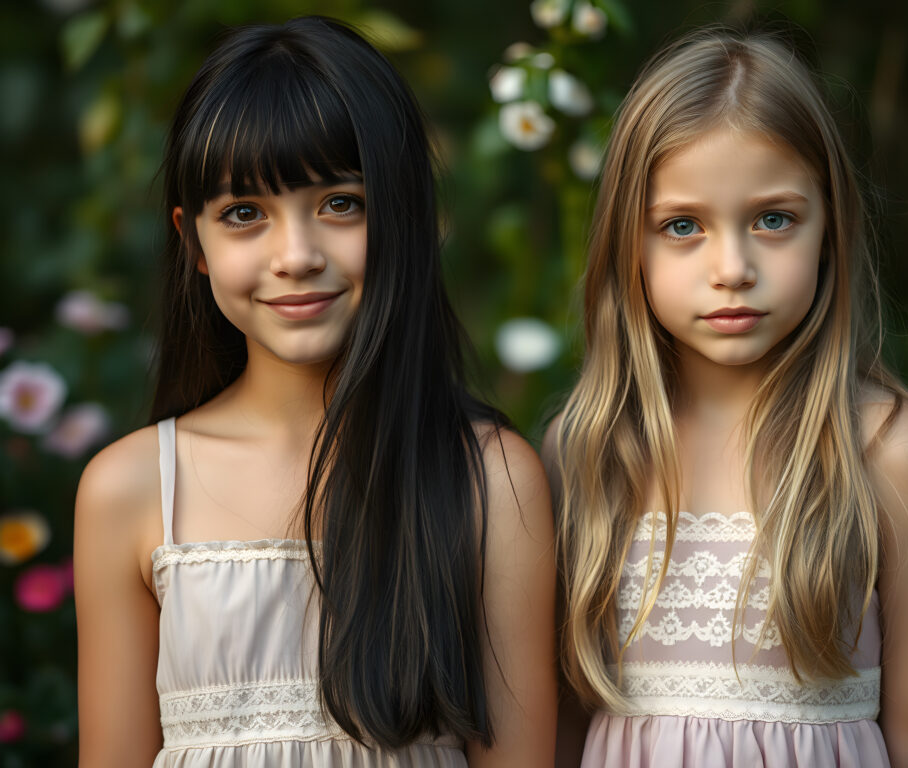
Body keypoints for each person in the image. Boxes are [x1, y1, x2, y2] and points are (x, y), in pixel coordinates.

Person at [74, 16, 556, 768]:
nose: (295, 256)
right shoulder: (131, 489)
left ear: (407, 214)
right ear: (192, 243)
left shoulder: (489, 480)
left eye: (341, 203)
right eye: (244, 215)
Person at [545, 27, 908, 768]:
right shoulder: (584, 451)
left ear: (829, 231)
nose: (733, 268)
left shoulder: (888, 451)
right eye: (683, 226)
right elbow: (555, 733)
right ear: (628, 244)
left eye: (773, 219)